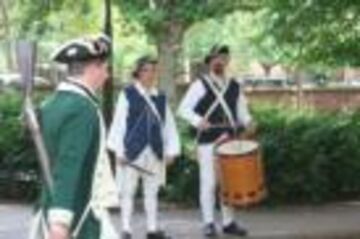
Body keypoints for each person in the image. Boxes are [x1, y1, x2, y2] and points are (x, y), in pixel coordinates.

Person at [32, 34, 118, 239]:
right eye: (105, 68)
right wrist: (60, 222)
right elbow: (68, 165)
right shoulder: (82, 108)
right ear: (93, 68)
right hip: (78, 215)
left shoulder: (51, 104)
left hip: (51, 207)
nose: (107, 75)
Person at [177, 44, 254, 238]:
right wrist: (197, 121)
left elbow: (242, 113)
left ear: (227, 61)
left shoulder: (234, 86)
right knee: (209, 183)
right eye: (215, 58)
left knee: (228, 183)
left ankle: (228, 222)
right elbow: (183, 109)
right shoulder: (200, 84)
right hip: (208, 140)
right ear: (210, 62)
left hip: (230, 139)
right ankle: (209, 223)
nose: (219, 61)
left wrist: (250, 122)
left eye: (223, 58)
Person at [107, 56, 181, 239]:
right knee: (127, 191)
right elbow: (119, 124)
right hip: (132, 152)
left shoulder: (160, 98)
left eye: (153, 70)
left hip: (154, 152)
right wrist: (119, 151)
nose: (150, 74)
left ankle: (152, 229)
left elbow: (169, 125)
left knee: (152, 192)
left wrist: (171, 150)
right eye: (146, 70)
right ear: (138, 73)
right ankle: (126, 229)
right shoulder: (128, 94)